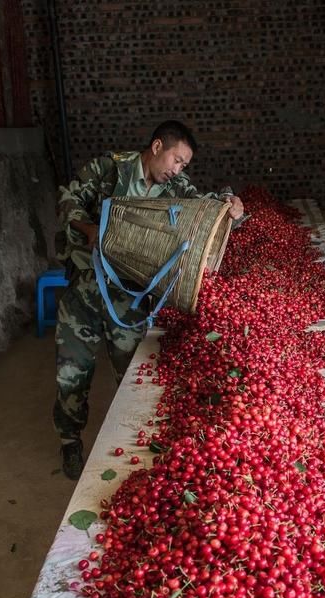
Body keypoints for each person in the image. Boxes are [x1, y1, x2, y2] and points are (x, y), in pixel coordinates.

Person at [53, 120, 244, 479]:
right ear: (157, 147)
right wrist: (87, 228)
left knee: (133, 376)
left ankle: (138, 449)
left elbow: (207, 209)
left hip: (128, 296)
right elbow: (67, 199)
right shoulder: (108, 170)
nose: (178, 170)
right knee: (71, 374)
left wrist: (234, 207)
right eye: (176, 160)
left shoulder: (177, 188)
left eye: (184, 166)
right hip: (84, 291)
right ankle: (70, 442)